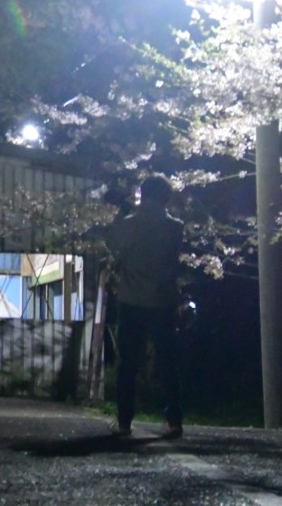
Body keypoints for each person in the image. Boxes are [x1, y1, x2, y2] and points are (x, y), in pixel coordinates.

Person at [106, 174, 185, 439]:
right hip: (162, 301)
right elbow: (174, 263)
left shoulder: (129, 225)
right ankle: (173, 420)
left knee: (128, 363)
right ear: (166, 197)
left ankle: (125, 420)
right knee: (168, 362)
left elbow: (114, 246)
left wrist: (126, 210)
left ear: (142, 194)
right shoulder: (175, 227)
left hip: (131, 300)